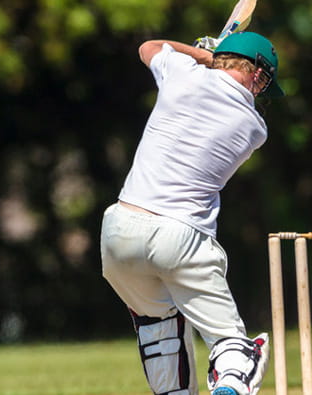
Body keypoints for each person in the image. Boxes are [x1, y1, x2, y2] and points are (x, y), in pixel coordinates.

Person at [100, 31, 284, 395]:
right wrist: (211, 59)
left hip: (119, 232)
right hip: (180, 237)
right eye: (263, 82)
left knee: (158, 331)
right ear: (256, 73)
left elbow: (148, 47)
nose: (260, 91)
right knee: (231, 344)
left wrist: (202, 54)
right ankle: (231, 381)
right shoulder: (254, 127)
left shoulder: (181, 73)